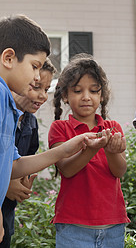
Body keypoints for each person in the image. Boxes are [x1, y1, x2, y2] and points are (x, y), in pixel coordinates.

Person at [0, 15, 109, 248]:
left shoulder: (7, 104)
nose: (37, 76)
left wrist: (67, 148)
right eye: (35, 66)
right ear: (8, 58)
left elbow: (14, 166)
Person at [48, 53, 130, 248]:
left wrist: (111, 150)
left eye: (93, 91)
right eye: (77, 91)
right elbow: (67, 169)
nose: (86, 97)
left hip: (113, 225)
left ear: (101, 96)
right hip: (73, 227)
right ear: (65, 96)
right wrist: (93, 149)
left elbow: (119, 172)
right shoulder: (60, 128)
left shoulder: (112, 127)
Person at [0, 58, 56, 247]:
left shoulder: (30, 123)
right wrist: (6, 183)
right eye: (36, 87)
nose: (43, 96)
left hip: (5, 212)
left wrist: (24, 180)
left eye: (46, 89)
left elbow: (28, 158)